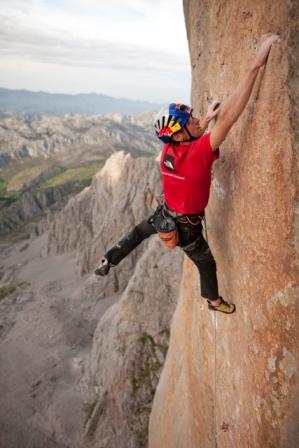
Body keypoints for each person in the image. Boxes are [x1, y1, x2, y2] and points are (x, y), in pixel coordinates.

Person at [94, 34, 281, 314]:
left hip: (165, 215)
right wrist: (256, 64)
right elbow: (229, 116)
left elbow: (189, 139)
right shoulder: (197, 153)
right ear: (180, 133)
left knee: (138, 232)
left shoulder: (168, 153)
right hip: (186, 228)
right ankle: (214, 302)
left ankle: (109, 259)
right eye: (191, 121)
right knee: (206, 263)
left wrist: (203, 120)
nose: (197, 121)